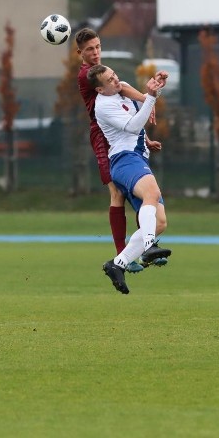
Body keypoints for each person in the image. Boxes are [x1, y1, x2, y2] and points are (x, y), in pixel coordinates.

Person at [75, 27, 169, 273]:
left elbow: (122, 96)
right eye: (89, 50)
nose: (95, 53)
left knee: (142, 193)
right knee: (118, 194)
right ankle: (126, 253)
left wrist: (143, 131)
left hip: (121, 135)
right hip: (104, 137)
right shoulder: (88, 75)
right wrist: (148, 99)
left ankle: (142, 247)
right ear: (80, 54)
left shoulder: (106, 76)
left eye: (97, 47)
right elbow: (120, 92)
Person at [89, 64, 171, 294]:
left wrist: (156, 88)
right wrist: (151, 98)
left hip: (136, 157)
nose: (116, 81)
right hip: (124, 160)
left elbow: (144, 103)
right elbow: (134, 126)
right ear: (100, 90)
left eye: (115, 75)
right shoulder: (103, 106)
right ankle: (149, 246)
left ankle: (117, 264)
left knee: (160, 222)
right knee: (152, 195)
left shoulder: (119, 90)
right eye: (110, 81)